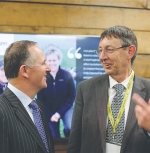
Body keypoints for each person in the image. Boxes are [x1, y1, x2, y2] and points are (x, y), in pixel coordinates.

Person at [67, 25, 150, 153]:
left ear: (130, 51)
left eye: (109, 50)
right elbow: (75, 141)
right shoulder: (85, 89)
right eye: (100, 50)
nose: (102, 57)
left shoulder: (148, 90)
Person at [0, 40, 55, 153]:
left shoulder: (37, 107)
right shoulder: (2, 111)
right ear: (25, 70)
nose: (49, 68)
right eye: (43, 63)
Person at [37, 45, 76, 138]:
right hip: (49, 110)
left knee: (70, 128)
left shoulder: (67, 75)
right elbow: (40, 99)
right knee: (53, 136)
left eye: (54, 60)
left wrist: (59, 113)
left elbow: (72, 96)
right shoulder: (42, 76)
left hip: (65, 108)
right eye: (49, 60)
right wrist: (50, 115)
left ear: (59, 60)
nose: (52, 63)